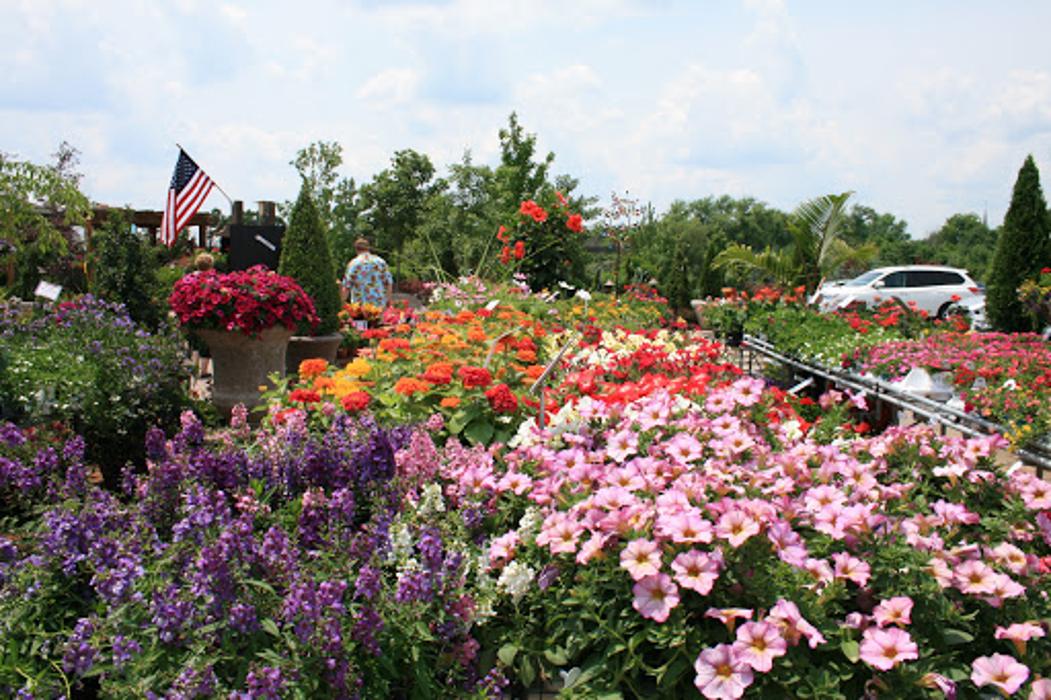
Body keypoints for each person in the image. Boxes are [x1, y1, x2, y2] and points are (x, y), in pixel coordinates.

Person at [342, 238, 393, 308]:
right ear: (368, 248)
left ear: (356, 249)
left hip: (360, 307)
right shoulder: (381, 262)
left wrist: (341, 303)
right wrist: (388, 301)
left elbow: (346, 287)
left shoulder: (353, 264)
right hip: (379, 306)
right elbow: (389, 283)